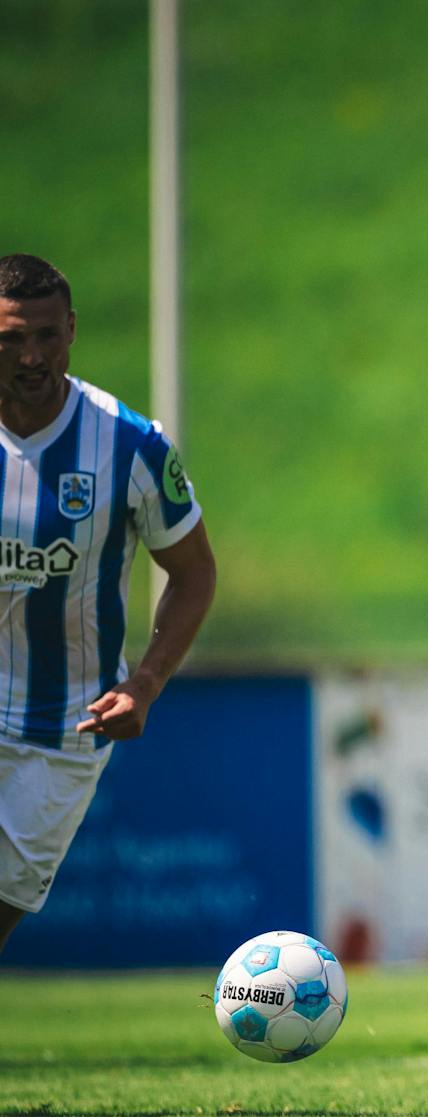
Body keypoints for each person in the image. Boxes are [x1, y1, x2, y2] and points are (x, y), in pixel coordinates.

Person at [0, 253, 216, 954]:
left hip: (64, 728)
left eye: (46, 335)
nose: (31, 355)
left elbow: (194, 574)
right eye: (10, 338)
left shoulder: (130, 444)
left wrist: (145, 683)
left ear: (71, 331)